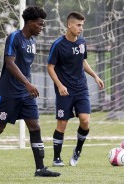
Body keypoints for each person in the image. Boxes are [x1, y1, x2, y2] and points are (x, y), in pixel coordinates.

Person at [0, 6, 60, 177]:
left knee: (34, 126)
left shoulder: (32, 42)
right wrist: (28, 84)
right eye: (39, 24)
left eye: (43, 25)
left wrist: (27, 88)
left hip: (25, 95)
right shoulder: (14, 37)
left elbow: (26, 67)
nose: (41, 27)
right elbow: (10, 63)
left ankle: (40, 169)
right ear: (30, 23)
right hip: (8, 93)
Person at [47, 11, 104, 167]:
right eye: (78, 25)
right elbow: (50, 67)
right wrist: (59, 85)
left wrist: (95, 76)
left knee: (85, 121)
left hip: (81, 89)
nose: (81, 28)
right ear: (69, 25)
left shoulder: (82, 42)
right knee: (62, 125)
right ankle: (57, 158)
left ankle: (77, 150)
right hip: (64, 91)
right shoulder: (58, 45)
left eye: (82, 25)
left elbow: (83, 62)